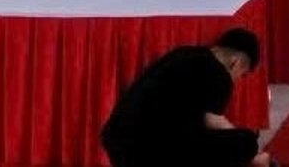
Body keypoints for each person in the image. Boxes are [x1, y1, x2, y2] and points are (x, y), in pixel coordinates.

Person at [101, 28, 274, 167]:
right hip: (150, 150)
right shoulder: (219, 75)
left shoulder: (182, 53)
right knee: (245, 141)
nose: (236, 80)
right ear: (234, 62)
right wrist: (252, 154)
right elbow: (214, 122)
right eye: (241, 74)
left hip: (117, 138)